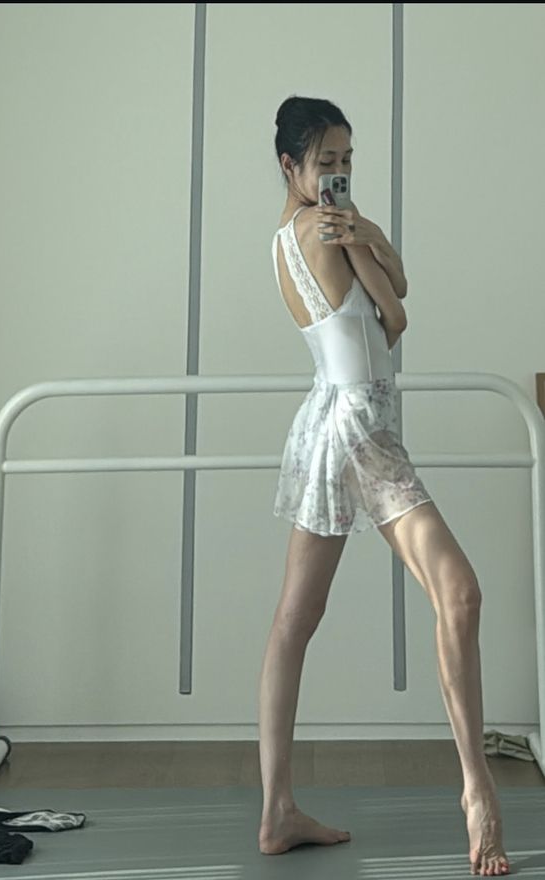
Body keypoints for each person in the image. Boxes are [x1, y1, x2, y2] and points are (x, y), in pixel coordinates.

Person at [258, 96, 510, 877]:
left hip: (327, 422)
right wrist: (368, 238)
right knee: (459, 595)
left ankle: (276, 810)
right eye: (324, 163)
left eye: (346, 161)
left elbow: (393, 285)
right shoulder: (324, 233)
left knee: (294, 620)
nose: (338, 174)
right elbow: (397, 310)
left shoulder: (287, 238)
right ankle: (477, 790)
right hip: (362, 431)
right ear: (289, 166)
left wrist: (366, 232)